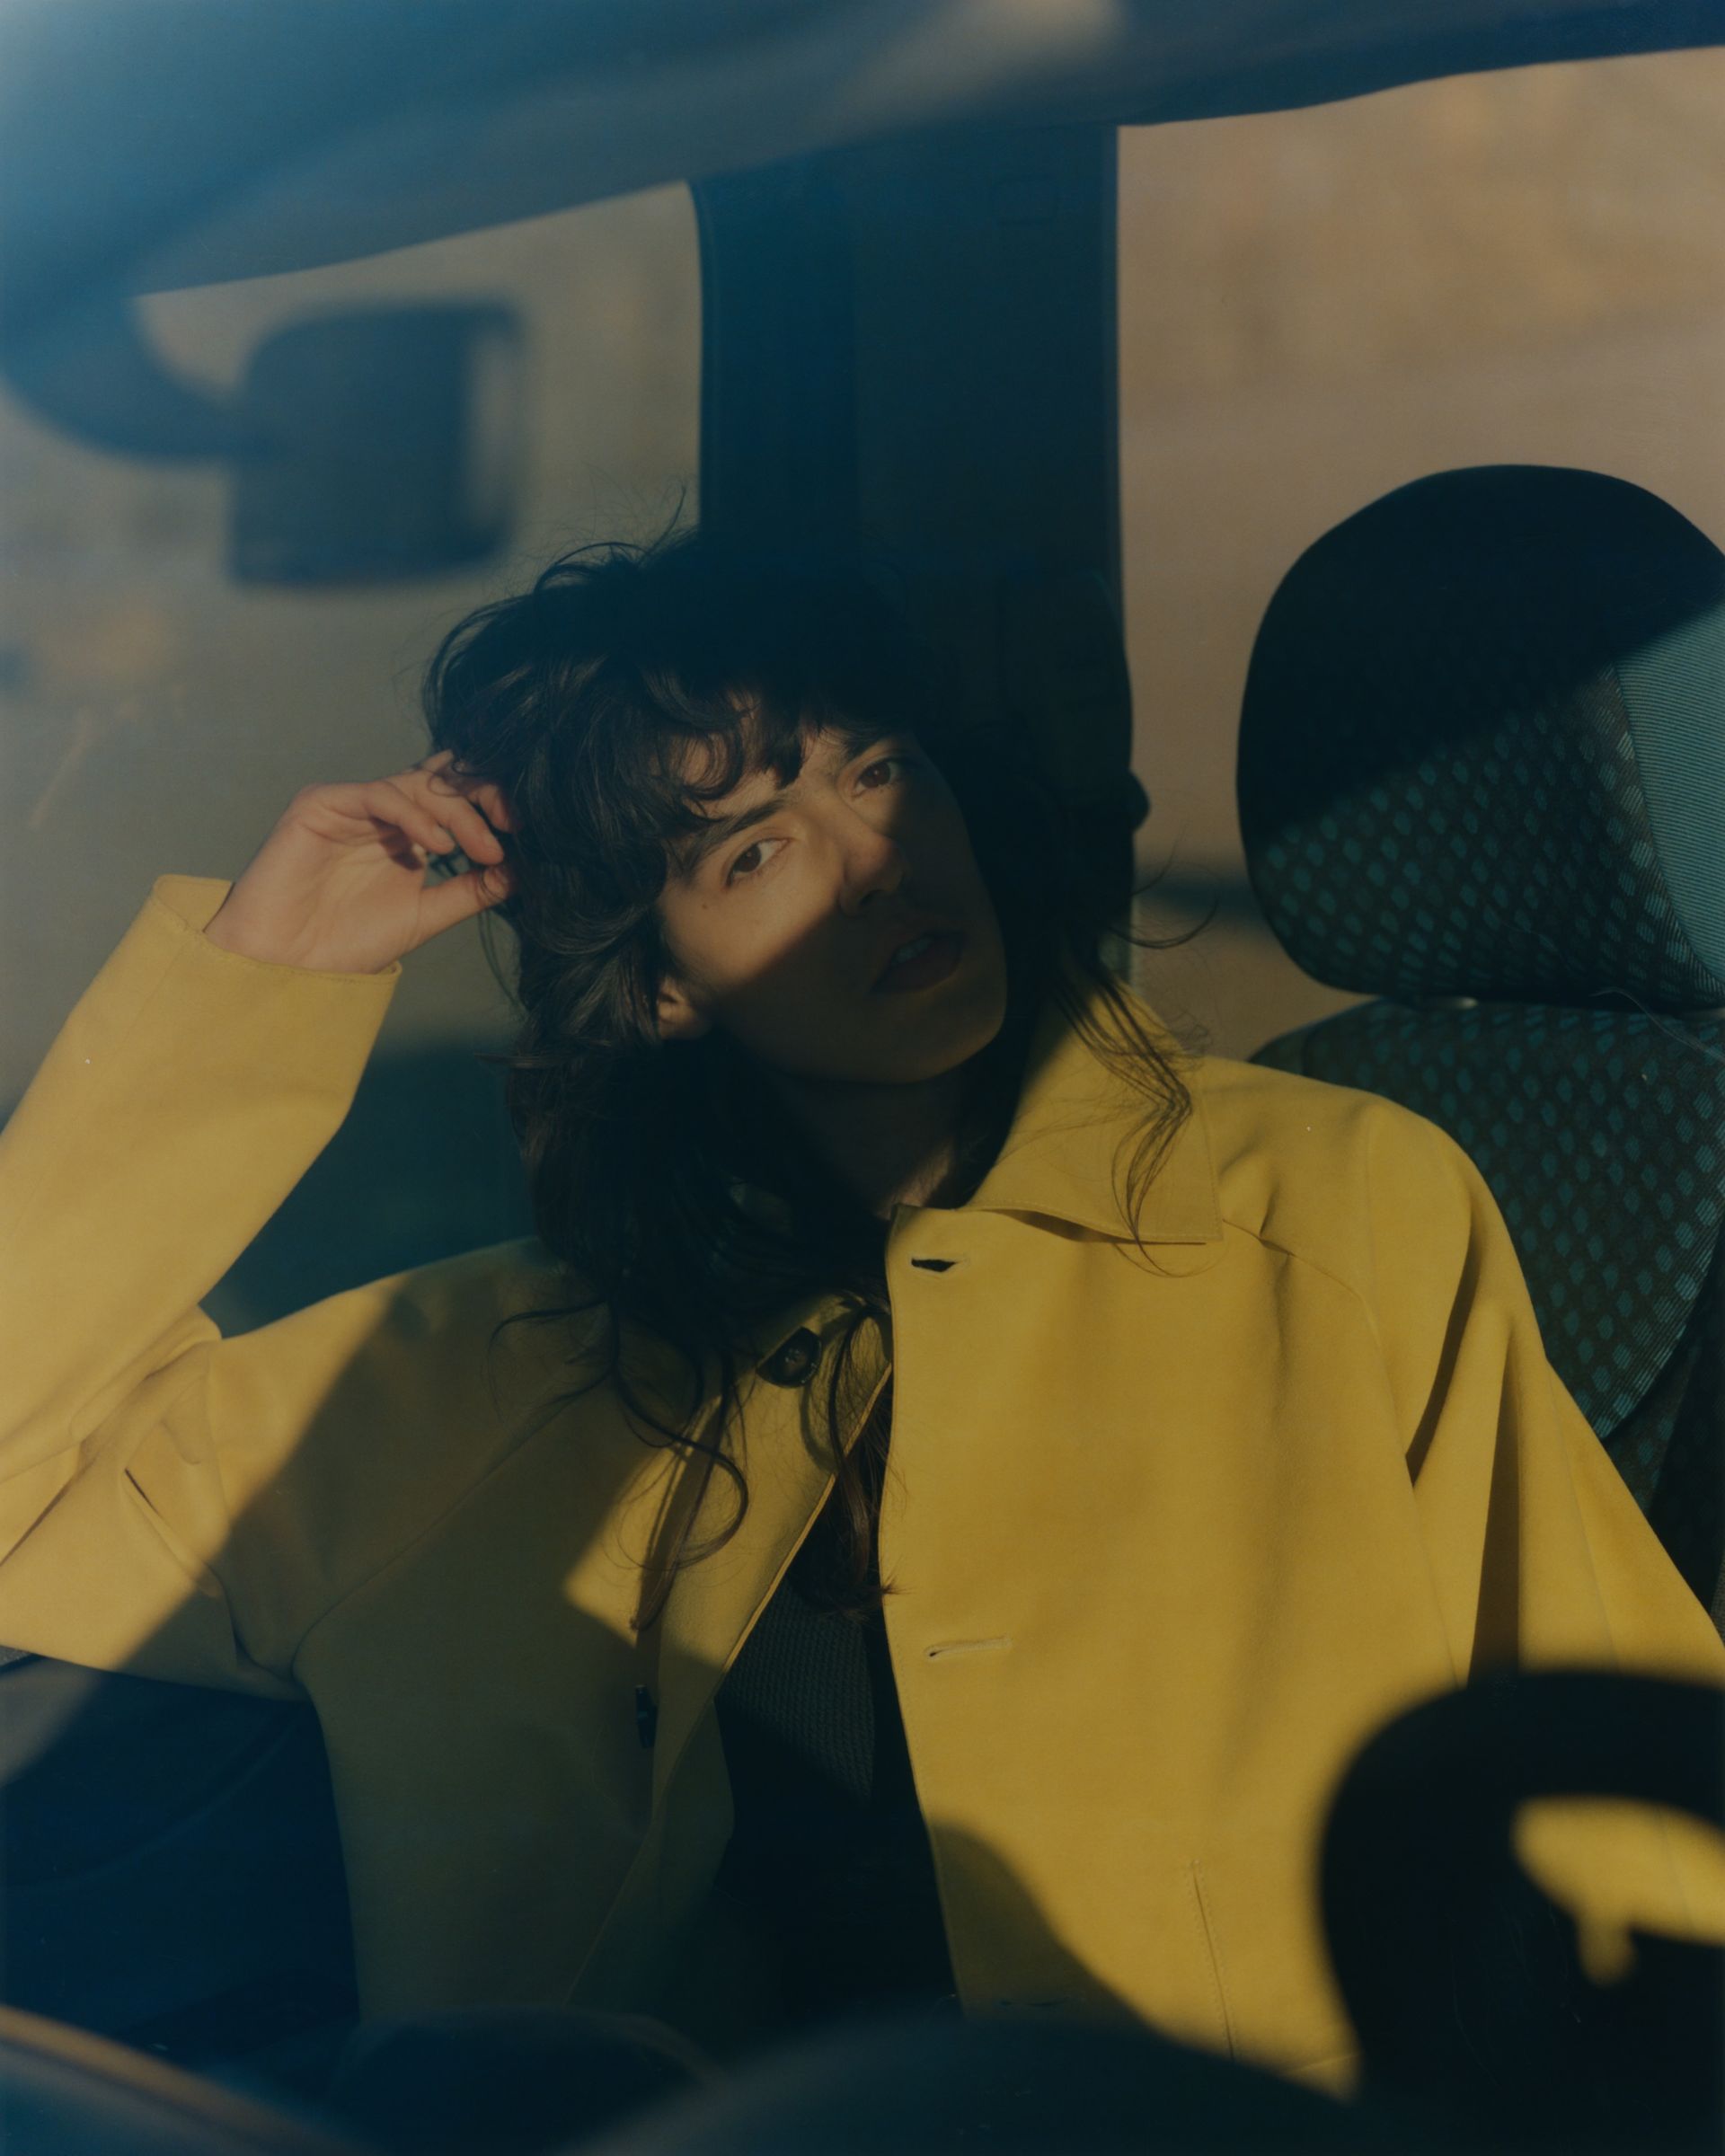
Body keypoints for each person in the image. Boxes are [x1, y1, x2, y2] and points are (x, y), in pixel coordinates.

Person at [0, 532, 1721, 2113]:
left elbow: (1638, 1792)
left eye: (878, 769)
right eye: (757, 847)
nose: (877, 860)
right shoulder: (494, 1373)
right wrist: (261, 988)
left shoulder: (1327, 1210)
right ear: (660, 985)